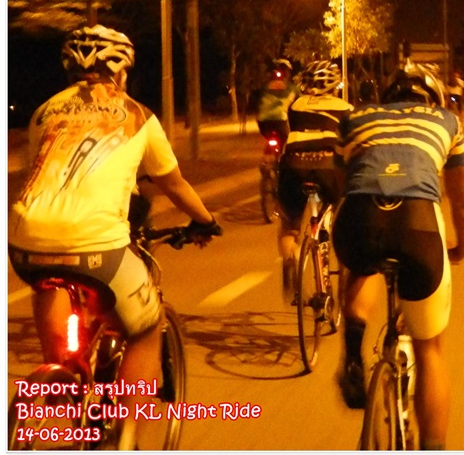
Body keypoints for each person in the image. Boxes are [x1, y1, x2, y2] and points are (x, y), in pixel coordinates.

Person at [8, 24, 221, 451]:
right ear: (121, 71)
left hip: (26, 243)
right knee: (146, 328)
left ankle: (61, 381)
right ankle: (126, 435)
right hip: (98, 246)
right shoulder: (137, 114)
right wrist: (204, 220)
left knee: (58, 317)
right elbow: (173, 183)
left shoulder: (43, 112)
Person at [332, 59, 464, 451]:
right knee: (429, 350)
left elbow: (344, 185)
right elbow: (460, 202)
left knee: (360, 267)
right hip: (418, 223)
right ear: (433, 97)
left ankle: (353, 351)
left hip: (359, 218)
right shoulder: (447, 121)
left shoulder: (356, 118)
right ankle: (432, 446)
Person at [277, 61, 353, 301]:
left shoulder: (295, 105)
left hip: (294, 166)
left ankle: (290, 258)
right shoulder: (345, 107)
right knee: (345, 221)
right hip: (329, 168)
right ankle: (344, 280)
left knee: (289, 224)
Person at [256, 58, 299, 146]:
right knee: (286, 142)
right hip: (280, 121)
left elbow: (258, 101)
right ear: (287, 73)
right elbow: (299, 100)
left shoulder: (264, 86)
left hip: (263, 122)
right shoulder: (292, 87)